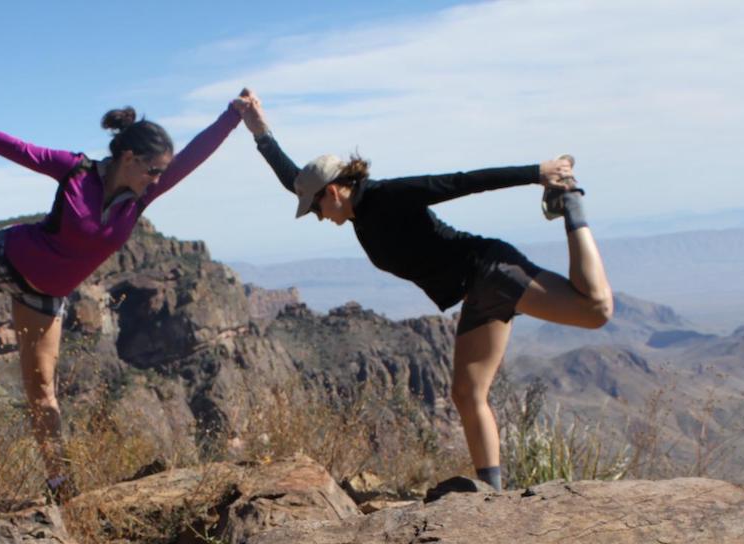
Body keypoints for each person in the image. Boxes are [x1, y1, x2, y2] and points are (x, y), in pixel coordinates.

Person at [234, 91, 614, 492]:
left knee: (595, 311)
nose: (317, 216)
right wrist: (260, 130)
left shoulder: (387, 197)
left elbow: (462, 182)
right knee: (466, 392)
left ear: (333, 192)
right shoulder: (354, 208)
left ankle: (569, 202)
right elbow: (293, 178)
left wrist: (538, 172)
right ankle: (493, 493)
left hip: (491, 271)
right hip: (476, 292)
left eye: (315, 208)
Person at [0, 97, 248, 502]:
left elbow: (191, 158)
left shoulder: (142, 196)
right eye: (152, 170)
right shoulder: (76, 170)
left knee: (42, 391)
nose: (157, 180)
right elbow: (20, 149)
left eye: (160, 173)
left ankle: (60, 487)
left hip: (43, 298)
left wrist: (233, 116)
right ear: (129, 158)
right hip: (7, 256)